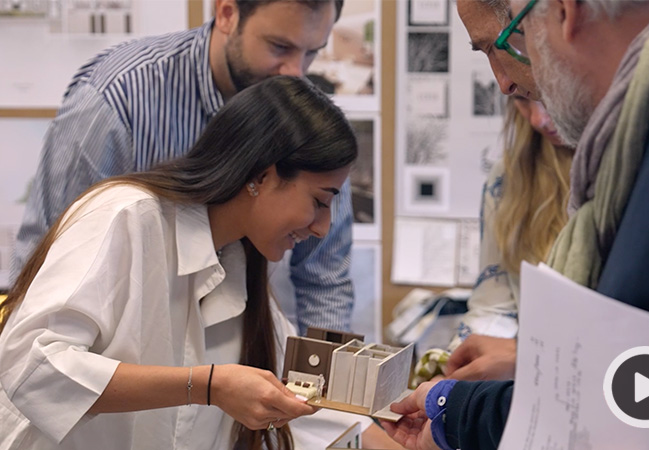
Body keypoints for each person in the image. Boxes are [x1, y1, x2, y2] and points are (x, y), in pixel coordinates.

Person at [382, 0, 649, 448]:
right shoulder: (646, 135)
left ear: (564, 11)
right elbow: (621, 388)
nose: (505, 82)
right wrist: (455, 412)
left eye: (504, 44)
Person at [0, 76, 356, 450]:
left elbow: (293, 389)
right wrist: (205, 385)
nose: (323, 227)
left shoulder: (238, 260)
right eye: (320, 201)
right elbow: (33, 366)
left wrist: (394, 428)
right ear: (262, 176)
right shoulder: (124, 216)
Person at [11, 0, 352, 336]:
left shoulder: (304, 121)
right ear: (227, 13)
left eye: (312, 53)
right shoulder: (118, 97)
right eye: (279, 46)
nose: (295, 71)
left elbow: (324, 277)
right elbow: (47, 263)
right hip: (108, 355)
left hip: (228, 351)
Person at [412, 96, 573, 384]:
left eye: (549, 97)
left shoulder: (647, 164)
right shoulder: (509, 179)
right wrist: (453, 372)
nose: (538, 119)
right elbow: (495, 305)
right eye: (523, 98)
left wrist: (526, 357)